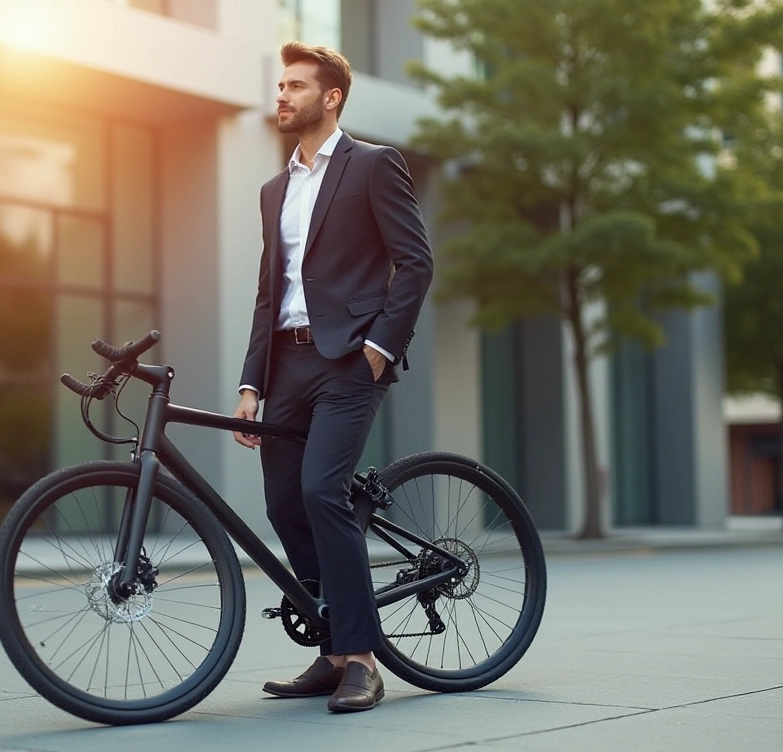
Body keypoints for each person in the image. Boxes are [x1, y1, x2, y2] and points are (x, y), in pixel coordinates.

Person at [232, 42, 433, 713]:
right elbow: (268, 294)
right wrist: (252, 384)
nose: (282, 95)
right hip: (285, 365)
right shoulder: (274, 190)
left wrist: (379, 349)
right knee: (284, 504)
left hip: (349, 360)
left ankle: (363, 661)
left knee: (322, 491)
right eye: (280, 85)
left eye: (295, 85)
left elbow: (416, 263)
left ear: (331, 96)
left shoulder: (373, 165)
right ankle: (332, 651)